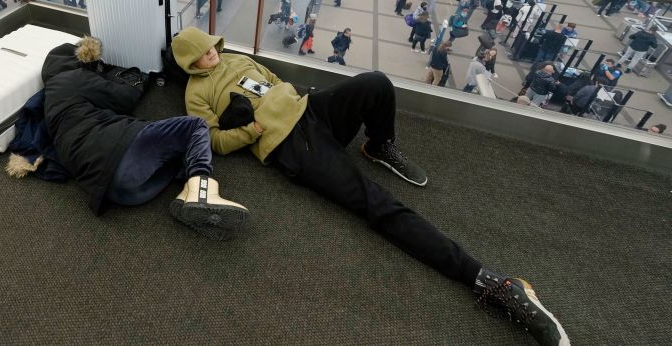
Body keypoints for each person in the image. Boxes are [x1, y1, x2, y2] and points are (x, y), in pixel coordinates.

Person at [171, 27, 569, 346]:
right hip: (289, 145)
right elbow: (214, 142)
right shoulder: (197, 94)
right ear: (191, 64)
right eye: (205, 54)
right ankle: (492, 282)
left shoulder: (236, 56)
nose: (214, 55)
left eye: (213, 47)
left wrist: (295, 98)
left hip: (310, 109)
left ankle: (379, 146)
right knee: (375, 203)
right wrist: (251, 130)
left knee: (376, 83)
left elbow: (276, 80)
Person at [5, 37, 248, 240]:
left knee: (177, 152)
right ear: (76, 61)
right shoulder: (71, 78)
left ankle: (187, 196)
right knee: (195, 126)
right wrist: (135, 79)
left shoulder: (50, 100)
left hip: (118, 193)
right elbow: (124, 97)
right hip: (120, 155)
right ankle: (201, 188)